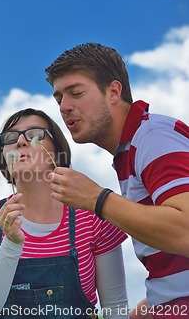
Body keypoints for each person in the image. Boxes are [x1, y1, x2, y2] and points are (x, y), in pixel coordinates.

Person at [45, 42, 189, 319]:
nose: (64, 107)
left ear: (113, 91)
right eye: (59, 99)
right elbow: (174, 279)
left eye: (76, 93)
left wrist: (97, 199)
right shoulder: (132, 149)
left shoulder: (152, 138)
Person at [0, 108, 128, 319]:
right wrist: (10, 244)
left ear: (57, 152)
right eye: (10, 137)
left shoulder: (93, 217)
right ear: (4, 158)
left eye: (35, 134)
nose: (20, 142)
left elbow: (116, 310)